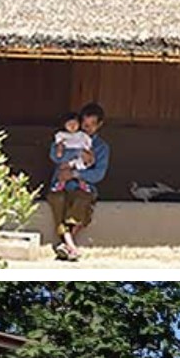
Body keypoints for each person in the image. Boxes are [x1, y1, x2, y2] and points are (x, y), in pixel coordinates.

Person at [46, 102, 109, 262]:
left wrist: (74, 174)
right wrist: (75, 153)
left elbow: (98, 174)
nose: (87, 128)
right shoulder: (66, 137)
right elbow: (55, 156)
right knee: (58, 200)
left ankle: (66, 244)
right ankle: (70, 246)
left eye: (92, 124)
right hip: (60, 184)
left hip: (83, 187)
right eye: (84, 123)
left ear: (99, 125)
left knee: (81, 201)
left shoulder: (101, 147)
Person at [50, 112, 91, 192]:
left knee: (81, 171)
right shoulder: (61, 135)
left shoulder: (82, 135)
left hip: (80, 158)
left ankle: (83, 186)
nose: (72, 126)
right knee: (63, 170)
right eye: (69, 124)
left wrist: (87, 155)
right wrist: (60, 151)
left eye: (75, 123)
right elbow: (58, 152)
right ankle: (60, 185)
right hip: (67, 160)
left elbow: (88, 147)